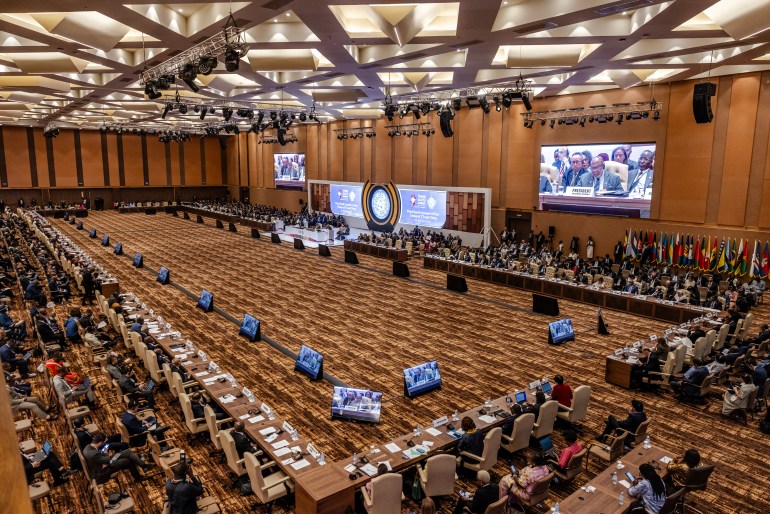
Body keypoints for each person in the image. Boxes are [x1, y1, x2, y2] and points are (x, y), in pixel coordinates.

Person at [83, 432, 149, 482]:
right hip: (103, 471)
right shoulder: (93, 454)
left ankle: (144, 466)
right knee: (127, 460)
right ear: (100, 443)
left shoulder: (87, 447)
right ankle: (138, 475)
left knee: (126, 452)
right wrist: (106, 452)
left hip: (104, 463)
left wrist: (103, 459)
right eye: (104, 443)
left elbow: (99, 459)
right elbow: (107, 459)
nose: (104, 444)